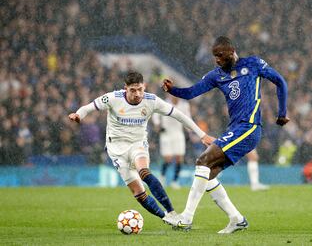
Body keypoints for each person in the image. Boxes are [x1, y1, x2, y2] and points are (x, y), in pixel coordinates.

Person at [162, 36, 289, 233]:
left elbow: (280, 81)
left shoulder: (253, 64)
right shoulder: (216, 75)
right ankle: (236, 219)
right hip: (235, 128)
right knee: (208, 175)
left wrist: (282, 113)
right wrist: (173, 90)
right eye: (215, 56)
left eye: (220, 56)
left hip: (249, 127)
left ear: (231, 52)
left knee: (203, 160)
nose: (217, 60)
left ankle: (186, 218)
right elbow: (191, 93)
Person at [68, 71, 213, 222]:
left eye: (140, 89)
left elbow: (180, 116)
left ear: (144, 86)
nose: (137, 94)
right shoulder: (112, 98)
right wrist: (78, 115)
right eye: (133, 90)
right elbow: (88, 107)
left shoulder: (152, 100)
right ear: (125, 88)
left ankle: (172, 213)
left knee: (144, 171)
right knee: (139, 193)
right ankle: (165, 217)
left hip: (138, 144)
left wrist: (202, 135)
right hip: (116, 149)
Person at [152, 95, 191, 189]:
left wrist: (189, 130)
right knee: (168, 159)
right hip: (166, 133)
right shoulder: (164, 103)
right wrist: (157, 124)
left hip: (178, 133)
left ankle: (175, 181)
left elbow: (188, 117)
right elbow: (155, 114)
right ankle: (162, 177)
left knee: (179, 158)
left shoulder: (184, 105)